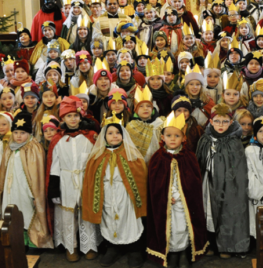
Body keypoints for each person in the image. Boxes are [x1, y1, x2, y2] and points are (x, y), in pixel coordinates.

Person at [82, 117, 148, 268]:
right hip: (107, 193)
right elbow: (91, 178)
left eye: (118, 133)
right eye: (110, 133)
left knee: (129, 220)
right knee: (109, 219)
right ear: (104, 136)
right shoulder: (97, 155)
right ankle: (112, 248)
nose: (115, 136)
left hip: (126, 194)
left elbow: (140, 176)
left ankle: (134, 250)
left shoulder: (132, 154)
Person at [146, 111, 208, 268]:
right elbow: (154, 185)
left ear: (184, 138)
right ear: (162, 137)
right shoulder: (157, 158)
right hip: (167, 204)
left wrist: (182, 195)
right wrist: (165, 196)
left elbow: (194, 183)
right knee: (171, 228)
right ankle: (172, 252)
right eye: (169, 136)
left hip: (184, 202)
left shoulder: (189, 157)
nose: (173, 139)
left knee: (184, 227)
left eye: (177, 136)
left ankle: (184, 252)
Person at [46, 96, 100, 261]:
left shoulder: (91, 136)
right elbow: (54, 166)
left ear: (81, 116)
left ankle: (89, 245)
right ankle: (71, 246)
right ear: (62, 118)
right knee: (68, 214)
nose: (73, 119)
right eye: (68, 116)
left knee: (86, 213)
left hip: (86, 179)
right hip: (66, 181)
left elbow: (97, 159)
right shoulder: (58, 139)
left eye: (76, 115)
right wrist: (54, 189)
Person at [197, 103, 249, 258]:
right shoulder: (205, 140)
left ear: (231, 122)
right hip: (207, 183)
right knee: (208, 212)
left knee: (226, 213)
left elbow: (238, 169)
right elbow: (199, 161)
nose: (221, 125)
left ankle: (226, 246)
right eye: (217, 121)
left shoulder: (234, 142)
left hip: (228, 186)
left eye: (225, 121)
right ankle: (210, 244)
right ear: (211, 121)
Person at [0, 111, 53, 251]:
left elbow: (37, 174)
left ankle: (33, 242)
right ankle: (20, 241)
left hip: (27, 191)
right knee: (15, 215)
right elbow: (4, 169)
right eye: (16, 133)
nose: (18, 136)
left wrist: (35, 195)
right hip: (12, 190)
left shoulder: (34, 148)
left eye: (22, 133)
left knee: (28, 215)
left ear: (29, 133)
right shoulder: (10, 147)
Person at [126, 85, 164, 163]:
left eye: (148, 106)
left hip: (158, 161)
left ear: (152, 108)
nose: (145, 108)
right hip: (139, 164)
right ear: (136, 110)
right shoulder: (131, 126)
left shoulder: (160, 124)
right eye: (141, 106)